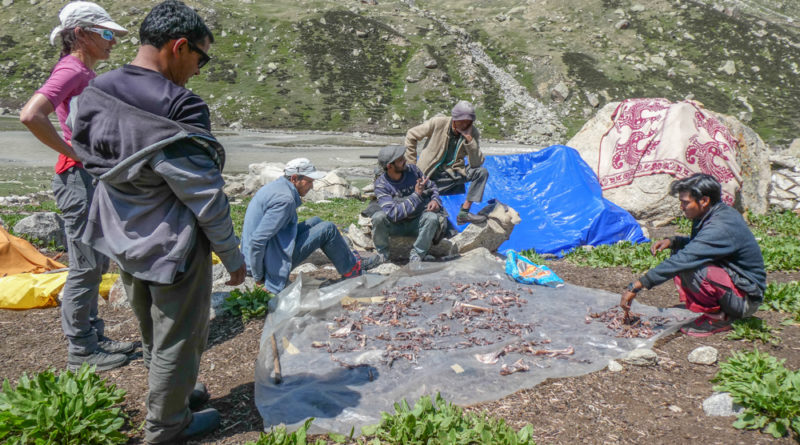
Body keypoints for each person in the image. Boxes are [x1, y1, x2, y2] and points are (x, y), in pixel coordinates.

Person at [67, 1, 246, 442]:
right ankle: (168, 425)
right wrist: (231, 254)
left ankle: (173, 394)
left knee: (151, 328)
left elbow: (84, 153)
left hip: (121, 233)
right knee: (179, 339)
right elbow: (204, 195)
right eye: (200, 58)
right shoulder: (179, 107)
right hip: (172, 244)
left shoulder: (95, 90)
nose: (199, 70)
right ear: (179, 46)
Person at [19, 1, 134, 372]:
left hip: (88, 178)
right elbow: (31, 114)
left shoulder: (84, 72)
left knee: (96, 262)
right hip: (76, 178)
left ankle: (94, 335)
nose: (113, 41)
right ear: (80, 33)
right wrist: (73, 153)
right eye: (106, 33)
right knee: (85, 265)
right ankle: (81, 350)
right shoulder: (70, 69)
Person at [620, 173, 766, 337]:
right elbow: (700, 245)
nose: (682, 207)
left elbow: (688, 257)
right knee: (684, 256)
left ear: (704, 201)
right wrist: (674, 242)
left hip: (745, 300)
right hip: (737, 290)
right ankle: (717, 309)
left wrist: (638, 285)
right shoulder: (710, 215)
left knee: (690, 265)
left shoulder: (721, 225)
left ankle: (720, 318)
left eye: (685, 202)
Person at [241, 158, 380, 293]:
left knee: (316, 221)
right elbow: (257, 241)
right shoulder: (285, 200)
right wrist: (258, 278)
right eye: (309, 181)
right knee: (328, 229)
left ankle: (350, 262)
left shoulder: (277, 186)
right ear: (294, 178)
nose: (312, 186)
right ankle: (352, 272)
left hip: (270, 249)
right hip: (264, 263)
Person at [404, 100, 489, 225]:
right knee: (424, 208)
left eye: (468, 121)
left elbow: (476, 164)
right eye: (462, 120)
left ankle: (464, 213)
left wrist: (470, 141)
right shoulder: (438, 123)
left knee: (482, 172)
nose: (465, 124)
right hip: (429, 176)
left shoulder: (472, 133)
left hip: (452, 175)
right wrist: (412, 165)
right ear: (454, 118)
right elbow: (411, 135)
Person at [371, 145, 443, 264]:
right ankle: (383, 254)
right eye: (400, 160)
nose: (404, 160)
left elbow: (432, 186)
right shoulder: (381, 184)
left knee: (432, 218)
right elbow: (393, 214)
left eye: (403, 157)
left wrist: (435, 200)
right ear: (390, 166)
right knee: (378, 217)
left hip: (416, 222)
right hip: (395, 225)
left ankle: (418, 254)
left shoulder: (413, 171)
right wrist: (416, 195)